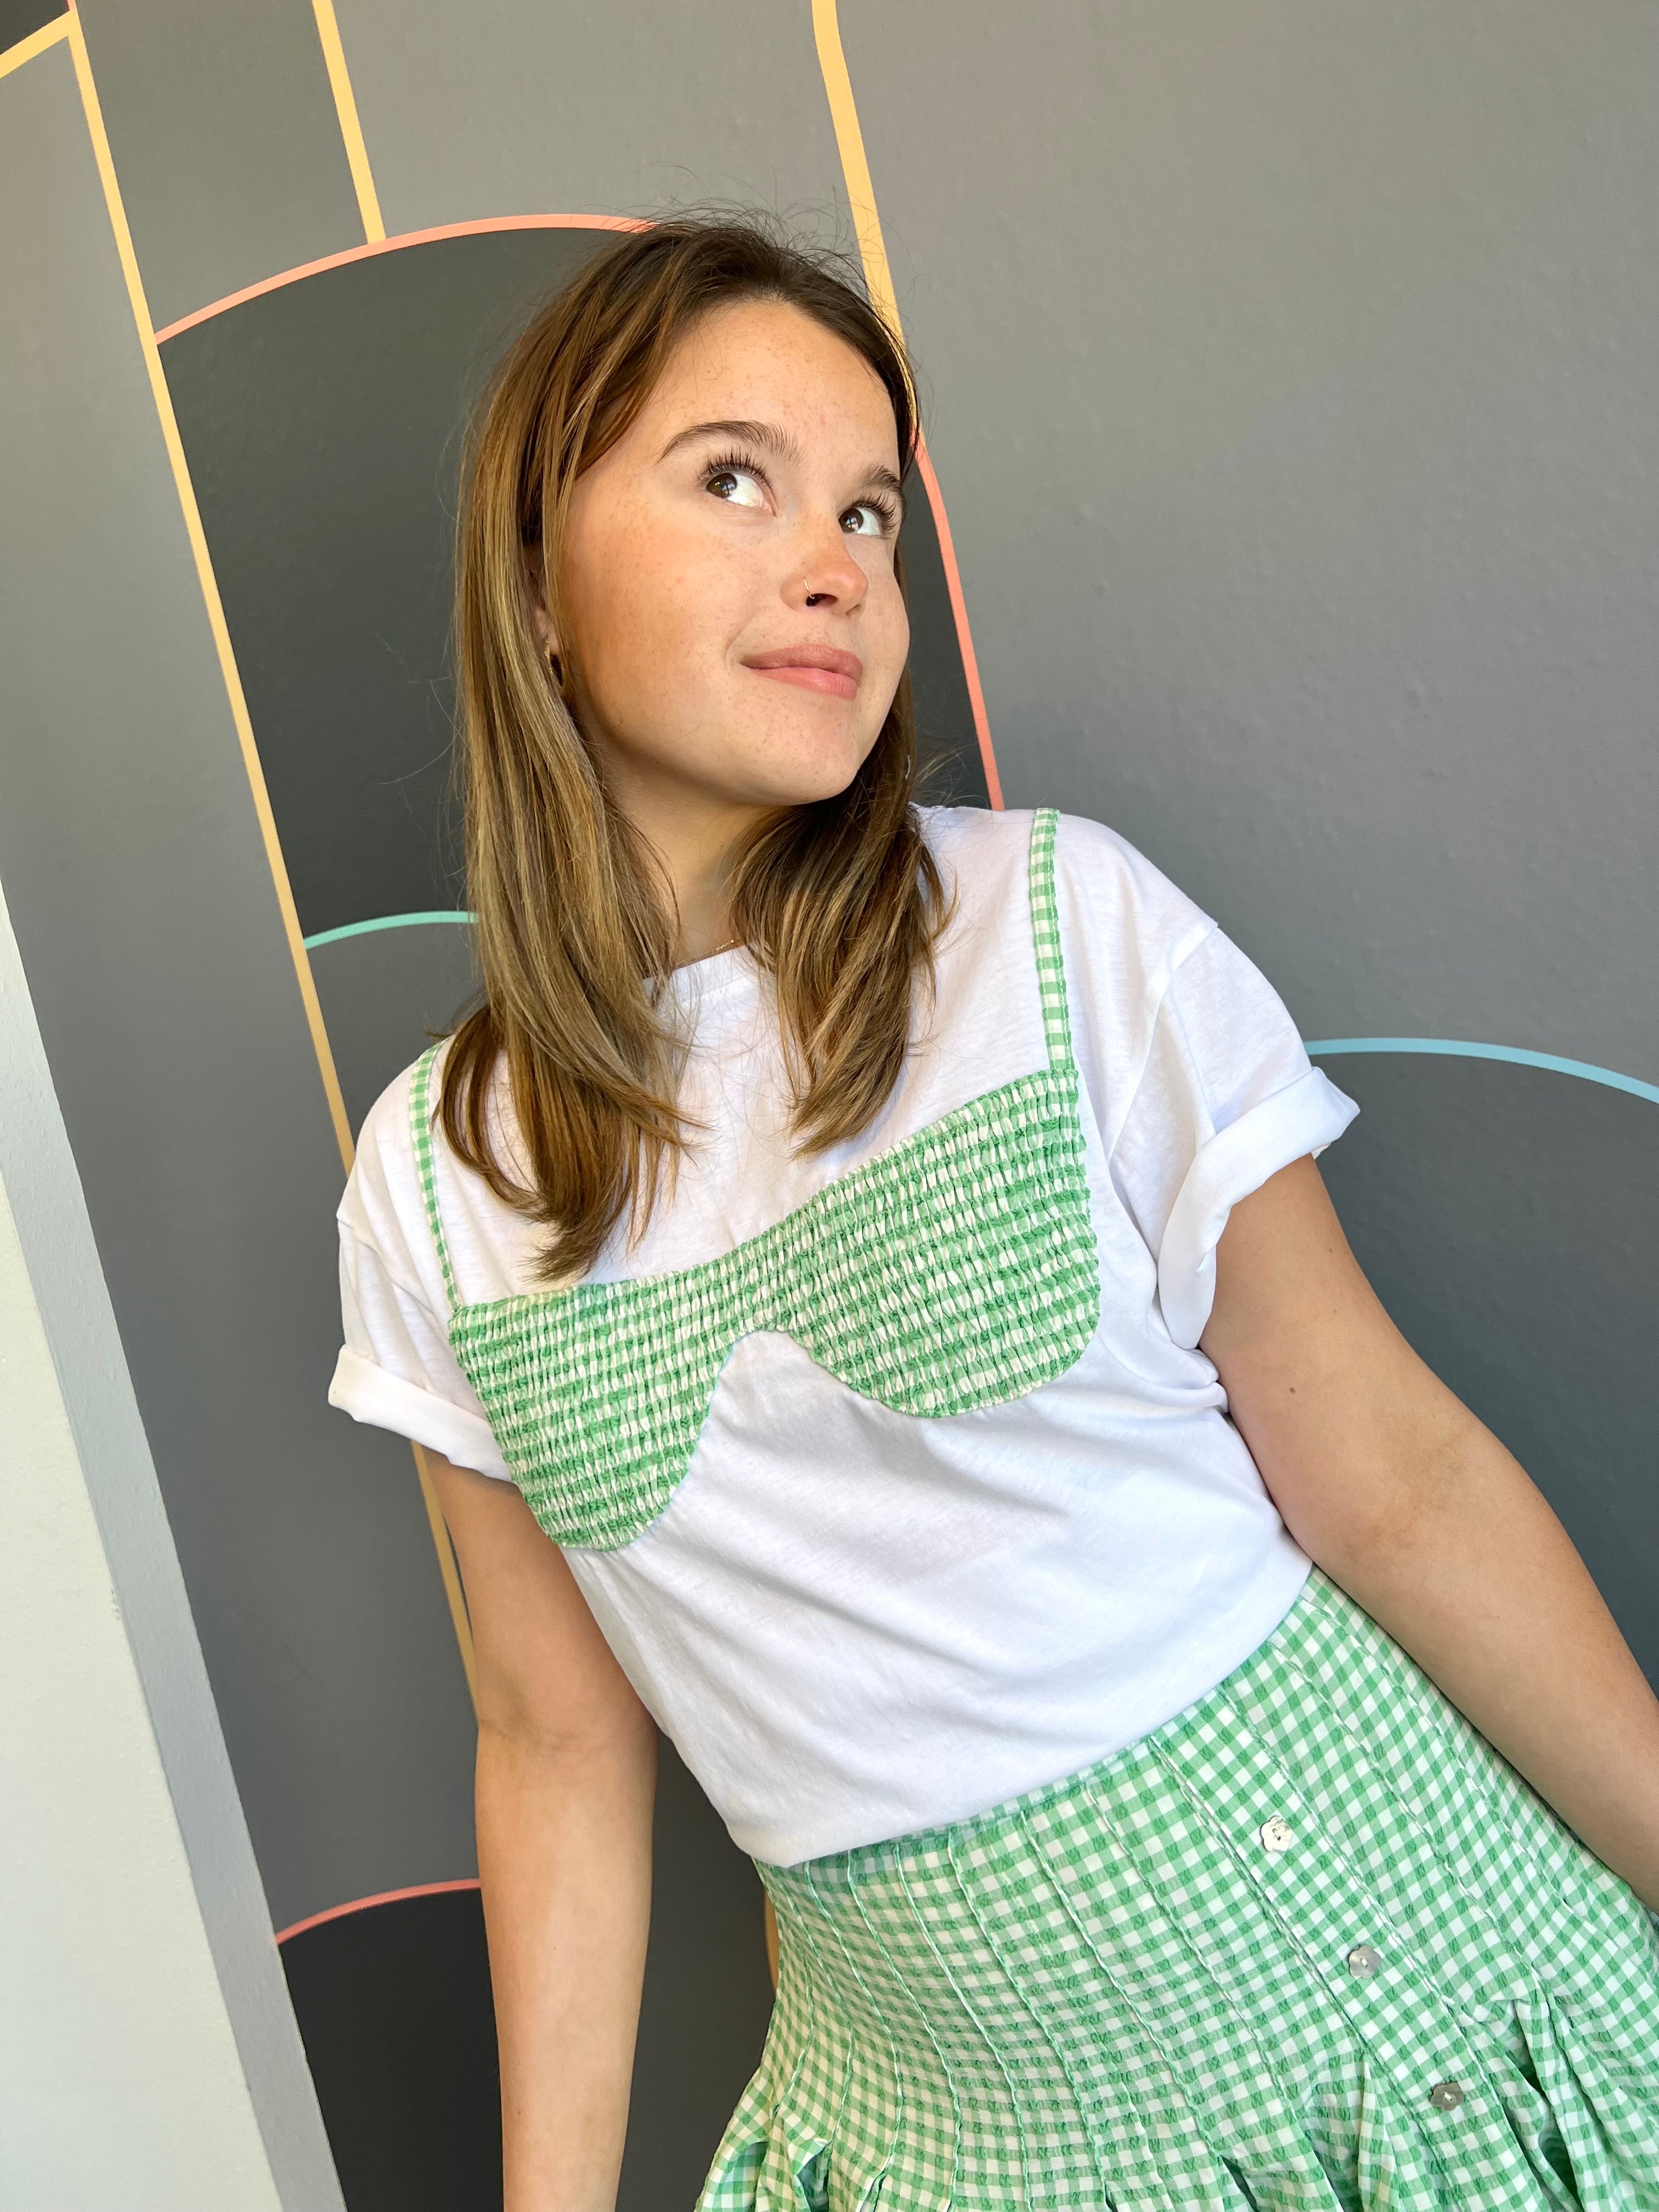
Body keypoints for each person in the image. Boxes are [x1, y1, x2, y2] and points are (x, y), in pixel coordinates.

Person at [328, 216, 1659, 2211]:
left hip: (1406, 2013)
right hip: (960, 2131)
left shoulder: (1055, 926)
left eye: (867, 512)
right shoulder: (438, 1181)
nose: (834, 566)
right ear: (534, 584)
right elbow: (555, 1741)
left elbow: (1396, 1483)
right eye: (734, 479)